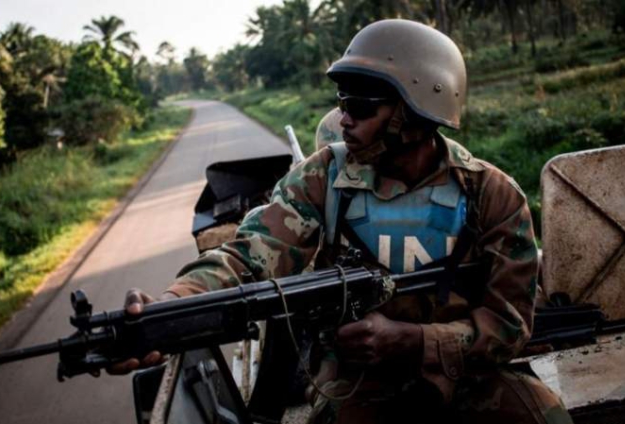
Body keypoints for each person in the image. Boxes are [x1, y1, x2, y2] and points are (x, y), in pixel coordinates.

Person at [111, 19, 573, 424]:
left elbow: (509, 326)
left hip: (466, 370)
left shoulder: (491, 195)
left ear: (414, 113)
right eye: (342, 102)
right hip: (359, 379)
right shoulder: (324, 177)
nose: (343, 119)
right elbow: (249, 258)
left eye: (361, 107)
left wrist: (414, 341)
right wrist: (170, 308)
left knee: (545, 413)